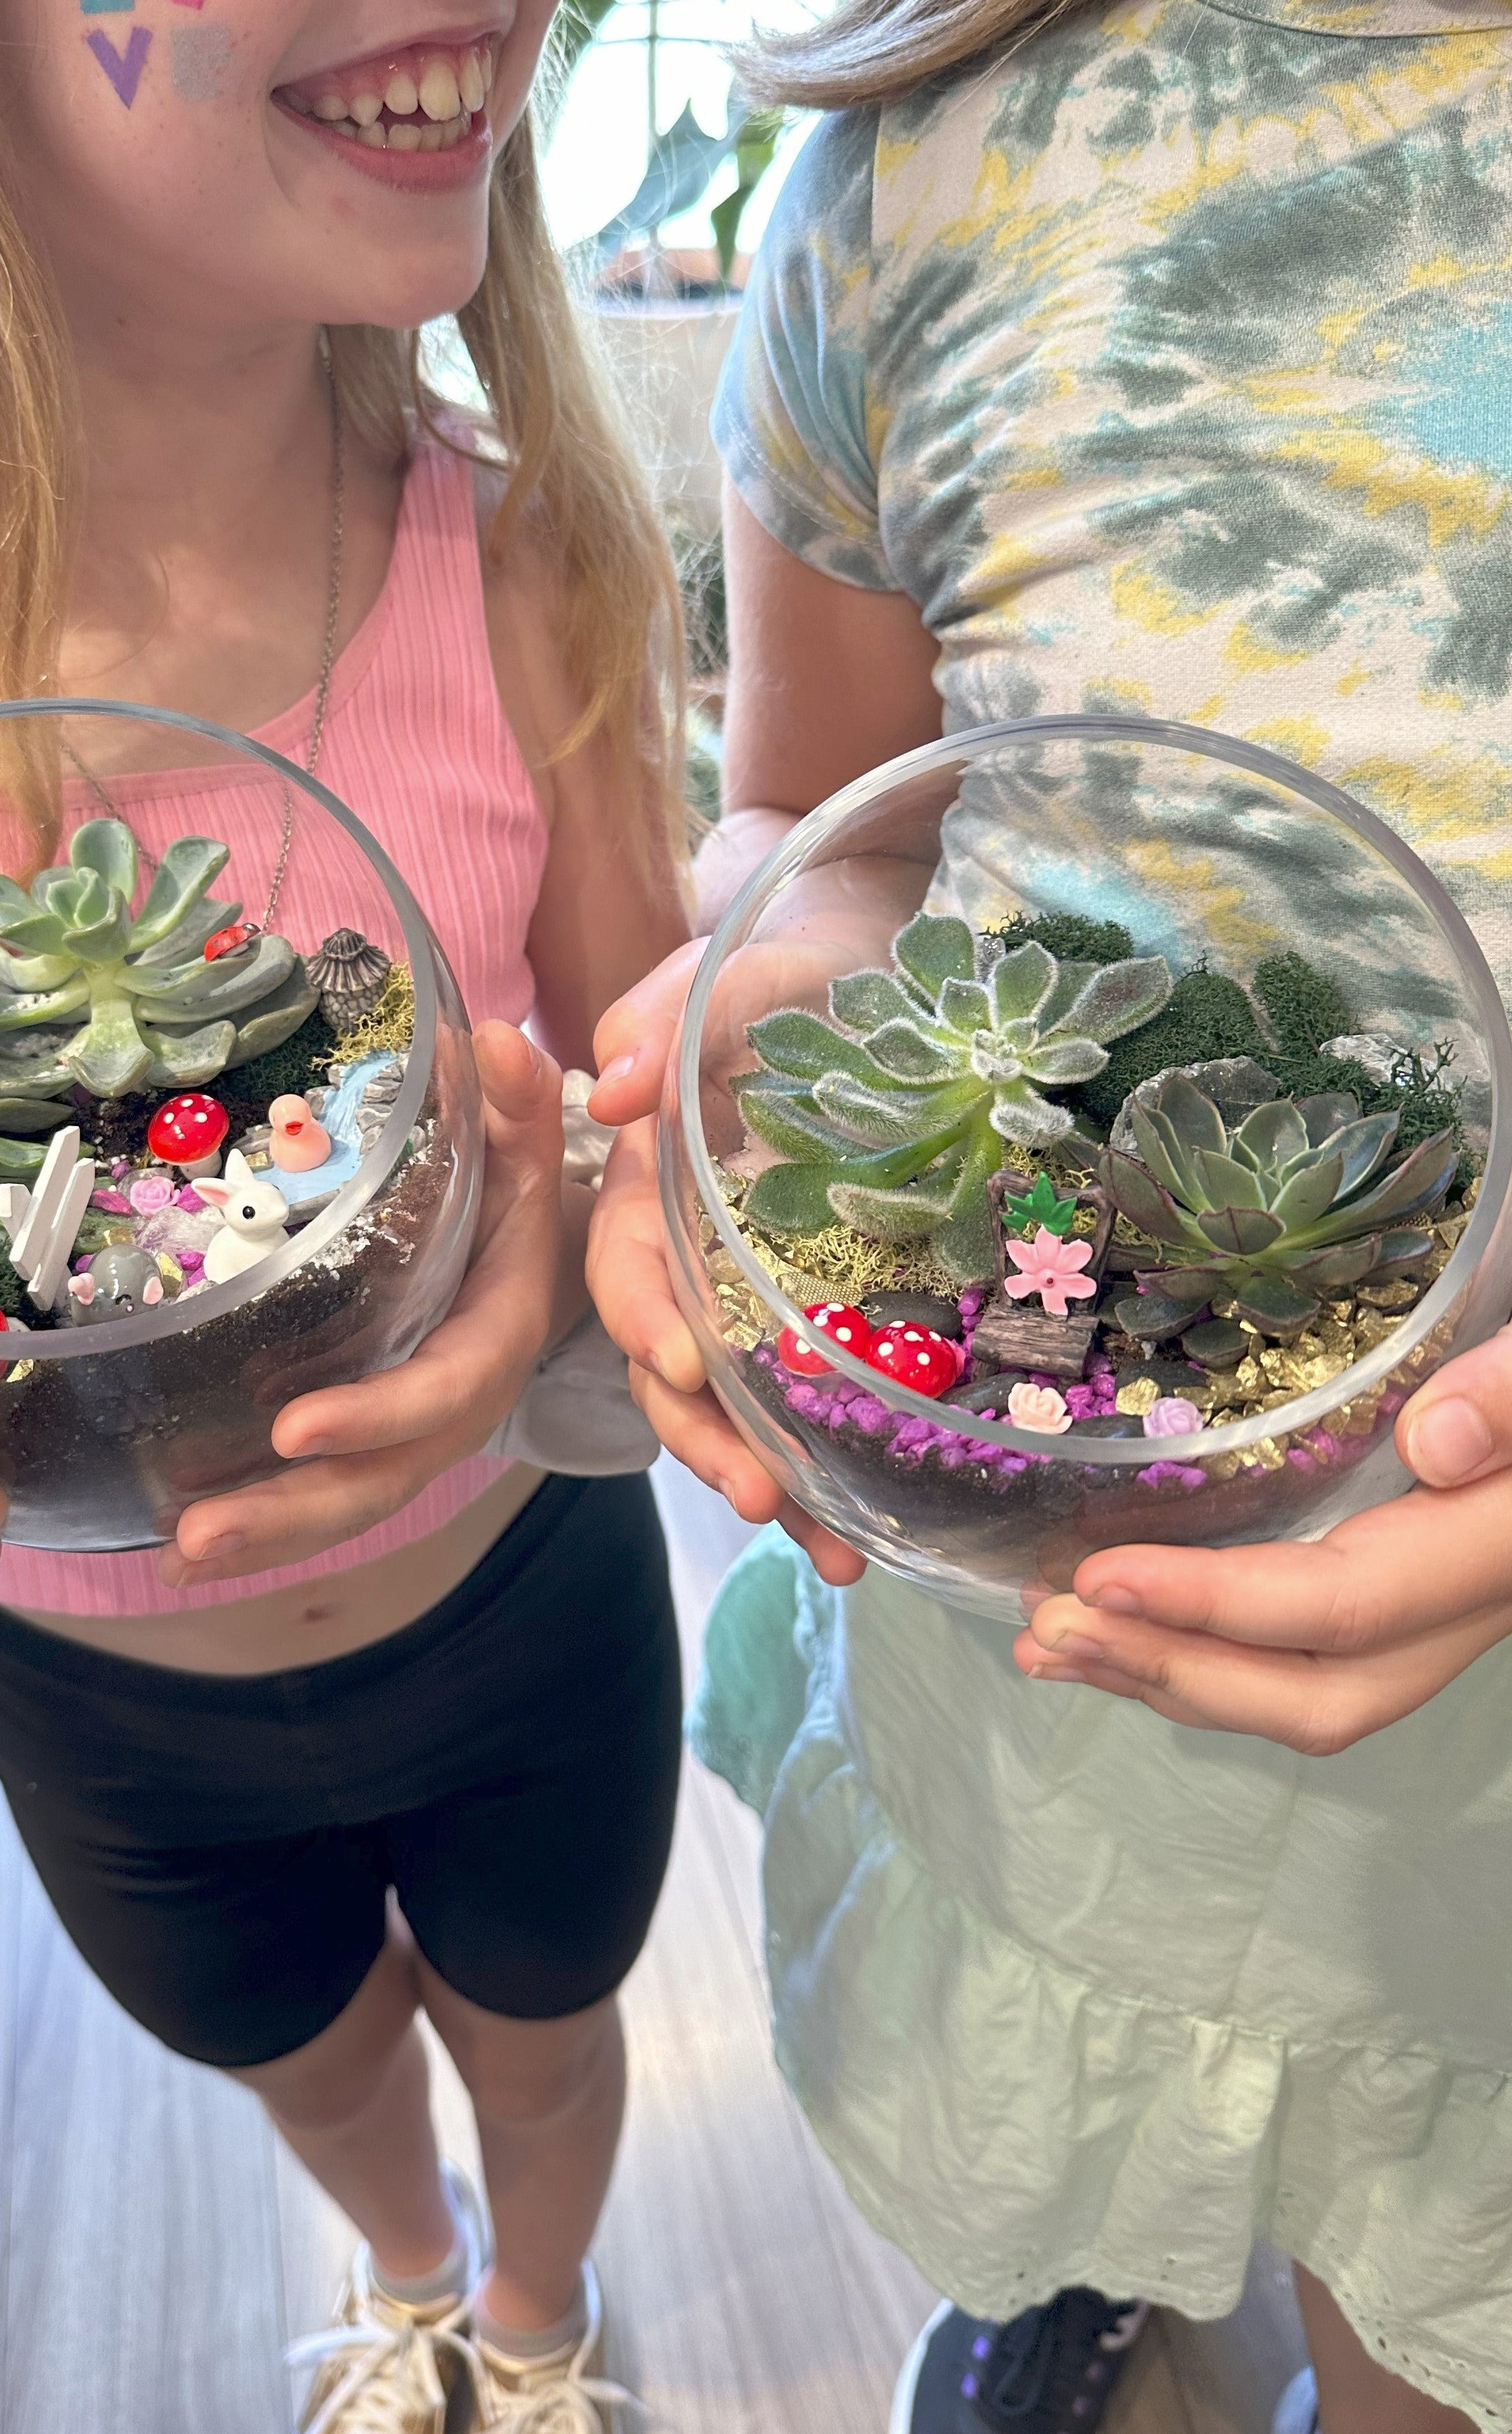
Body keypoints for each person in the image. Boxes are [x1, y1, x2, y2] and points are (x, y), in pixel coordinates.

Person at [0, 7, 691, 2429]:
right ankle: (416, 2276)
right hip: (92, 1694)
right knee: (313, 2064)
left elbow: (662, 1123)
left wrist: (554, 1239)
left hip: (519, 1599)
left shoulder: (524, 551)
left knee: (548, 2044)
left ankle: (539, 2328)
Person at [586, 1, 1512, 2429]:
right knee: (1098, 2075)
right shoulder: (914, 165)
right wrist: (751, 1024)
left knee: (1436, 2251)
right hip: (1033, 1543)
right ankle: (1111, 2252)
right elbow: (837, 828)